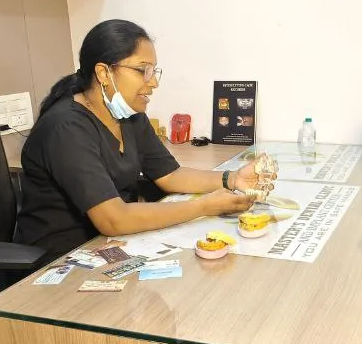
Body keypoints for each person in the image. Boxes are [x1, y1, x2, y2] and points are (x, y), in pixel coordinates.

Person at [15, 19, 270, 263]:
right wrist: (204, 206)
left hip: (111, 244)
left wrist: (232, 178)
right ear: (104, 73)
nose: (154, 82)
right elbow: (113, 219)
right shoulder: (66, 128)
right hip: (62, 258)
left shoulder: (129, 115)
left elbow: (170, 175)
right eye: (143, 71)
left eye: (154, 71)